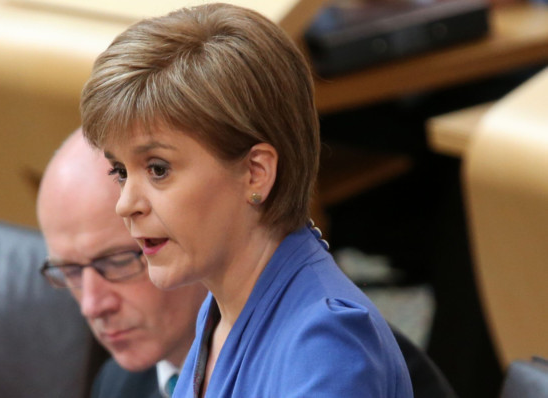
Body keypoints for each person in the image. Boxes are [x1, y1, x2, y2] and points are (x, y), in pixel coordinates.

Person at [80, 3, 413, 397]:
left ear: (256, 172)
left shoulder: (326, 346)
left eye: (157, 169)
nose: (126, 204)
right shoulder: (220, 308)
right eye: (120, 171)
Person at [37, 130, 208, 398]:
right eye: (70, 271)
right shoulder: (117, 385)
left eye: (117, 262)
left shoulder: (285, 373)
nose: (92, 305)